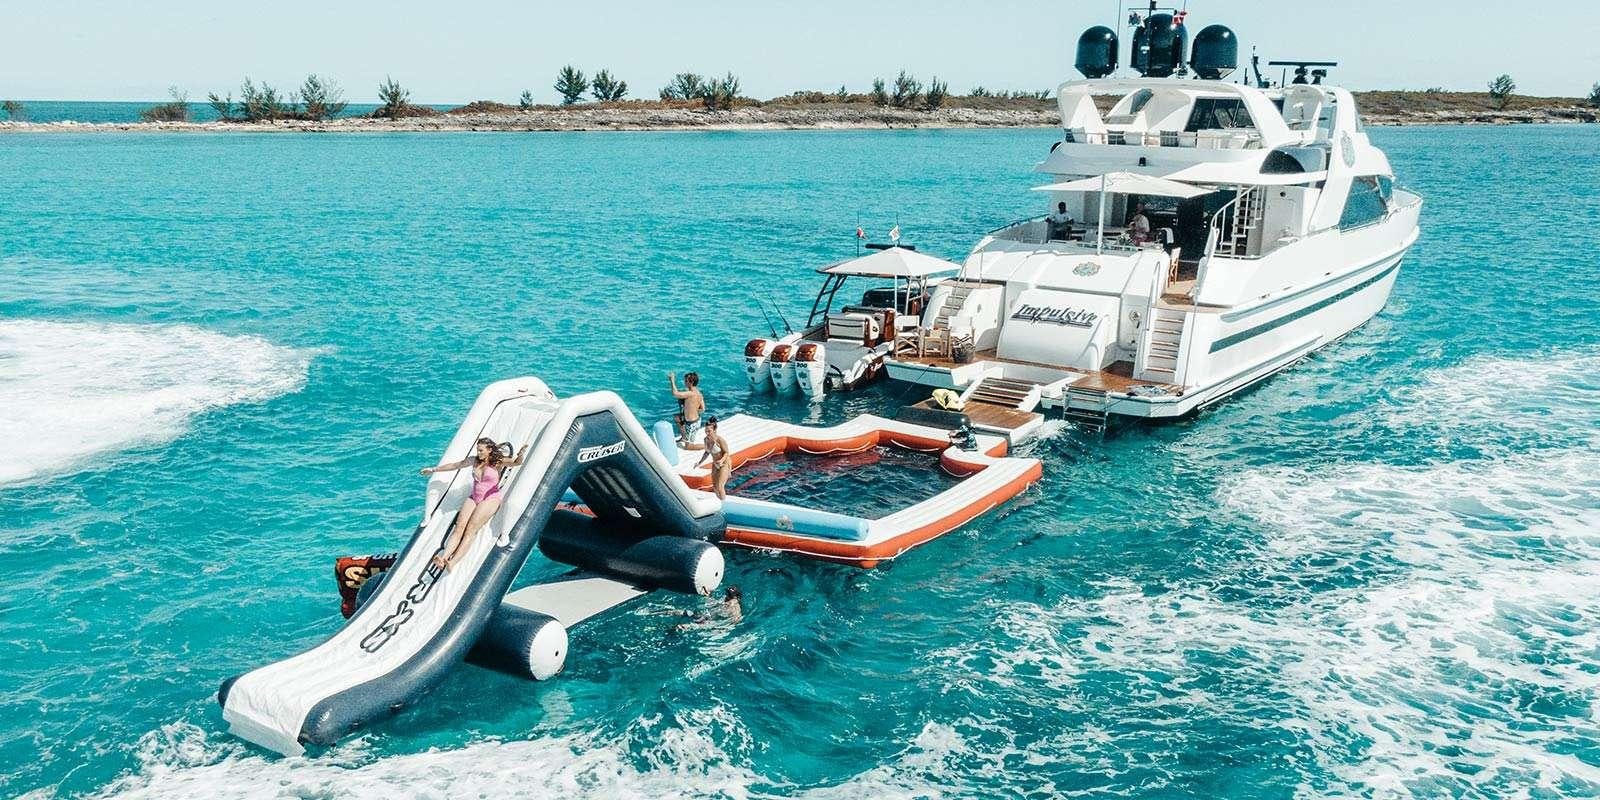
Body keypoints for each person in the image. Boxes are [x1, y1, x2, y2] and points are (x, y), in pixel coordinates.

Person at [421, 437, 527, 572]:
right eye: (478, 449)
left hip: (490, 499)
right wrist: (433, 469)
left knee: (470, 530)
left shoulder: (497, 462)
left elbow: (516, 463)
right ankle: (443, 558)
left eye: (481, 450)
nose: (479, 452)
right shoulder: (474, 460)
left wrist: (521, 453)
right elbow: (455, 465)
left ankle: (452, 562)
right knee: (459, 527)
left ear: (489, 450)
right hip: (474, 497)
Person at [683, 415, 732, 499]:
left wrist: (721, 461)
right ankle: (720, 502)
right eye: (706, 431)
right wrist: (699, 462)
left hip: (724, 463)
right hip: (715, 464)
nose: (707, 433)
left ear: (714, 430)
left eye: (709, 431)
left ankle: (724, 504)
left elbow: (726, 453)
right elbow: (707, 452)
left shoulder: (720, 440)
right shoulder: (706, 439)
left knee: (720, 486)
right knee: (715, 487)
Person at [669, 371, 704, 443]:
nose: (684, 382)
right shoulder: (699, 393)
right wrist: (692, 410)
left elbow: (675, 394)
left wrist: (672, 380)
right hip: (694, 421)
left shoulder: (690, 394)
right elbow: (703, 409)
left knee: (688, 447)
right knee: (677, 418)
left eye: (686, 381)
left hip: (692, 424)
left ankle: (706, 447)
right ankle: (684, 437)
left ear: (691, 382)